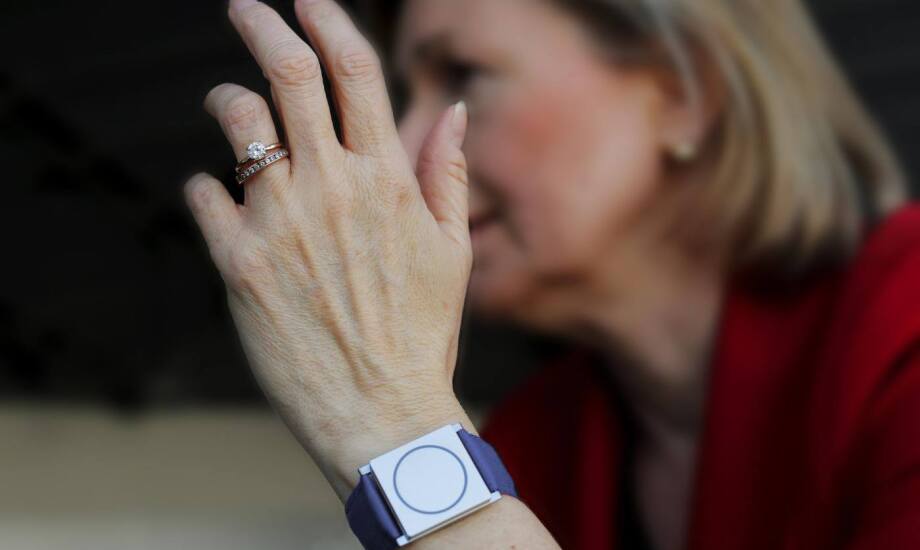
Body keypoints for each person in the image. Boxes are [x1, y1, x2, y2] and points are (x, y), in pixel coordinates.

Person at [183, 0, 920, 548]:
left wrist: (392, 421)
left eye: (464, 74)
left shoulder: (901, 319)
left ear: (688, 94)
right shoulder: (536, 441)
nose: (405, 151)